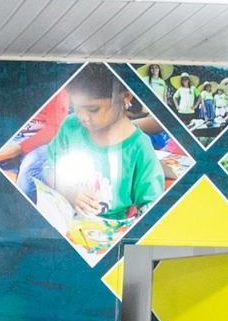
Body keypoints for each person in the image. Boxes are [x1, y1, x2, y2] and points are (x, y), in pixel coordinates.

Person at [34, 66, 166, 222]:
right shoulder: (71, 126)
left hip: (109, 229)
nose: (82, 117)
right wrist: (68, 191)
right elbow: (50, 167)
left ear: (125, 97)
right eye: (75, 107)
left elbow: (151, 206)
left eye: (92, 109)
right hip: (62, 218)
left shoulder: (139, 147)